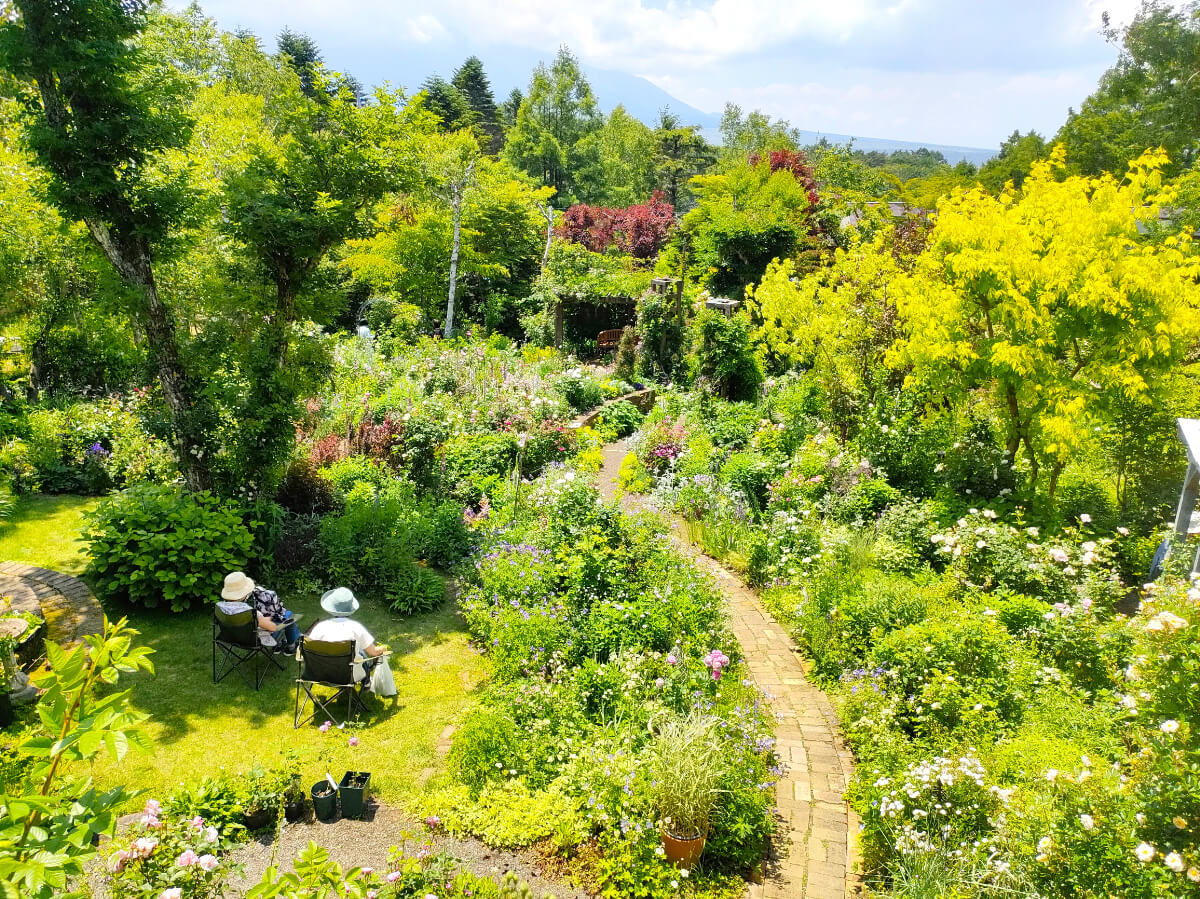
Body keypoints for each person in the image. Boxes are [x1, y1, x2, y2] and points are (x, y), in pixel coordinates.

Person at [307, 587, 396, 697]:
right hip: (348, 675)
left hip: (319, 673)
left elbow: (306, 650)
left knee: (355, 651)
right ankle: (366, 682)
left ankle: (365, 681)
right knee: (360, 653)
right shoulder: (356, 628)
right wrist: (383, 648)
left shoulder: (319, 627)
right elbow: (373, 653)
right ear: (350, 609)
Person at [220, 571, 299, 652]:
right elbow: (277, 618)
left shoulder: (223, 607)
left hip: (232, 637)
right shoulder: (264, 597)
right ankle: (291, 647)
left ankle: (277, 647)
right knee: (289, 616)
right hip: (258, 639)